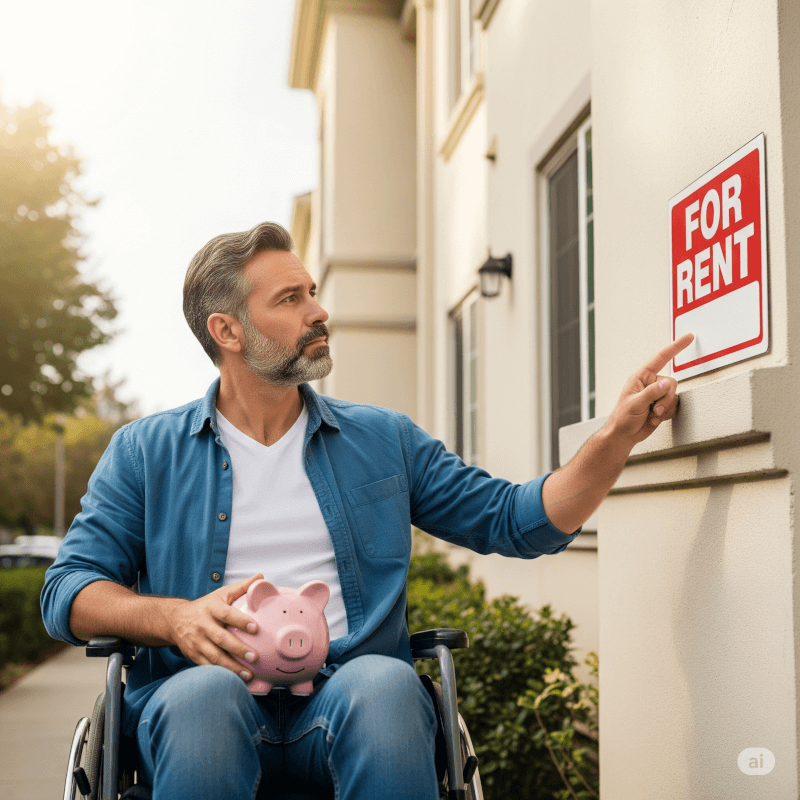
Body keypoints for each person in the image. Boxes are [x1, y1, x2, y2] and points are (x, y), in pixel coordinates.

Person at [42, 222, 693, 800]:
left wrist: (613, 439)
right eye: (290, 299)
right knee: (205, 696)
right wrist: (174, 618)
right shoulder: (144, 453)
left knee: (384, 685)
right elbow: (67, 592)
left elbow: (517, 520)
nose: (319, 312)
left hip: (349, 696)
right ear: (227, 330)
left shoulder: (384, 440)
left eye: (312, 291)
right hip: (197, 702)